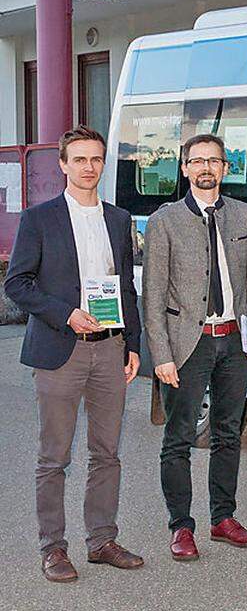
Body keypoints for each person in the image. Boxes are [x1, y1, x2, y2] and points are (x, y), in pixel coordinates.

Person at [5, 126, 143, 582]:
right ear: (63, 164)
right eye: (79, 159)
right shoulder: (39, 218)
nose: (89, 167)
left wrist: (133, 344)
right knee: (54, 457)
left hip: (109, 349)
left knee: (107, 453)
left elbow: (126, 286)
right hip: (60, 349)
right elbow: (17, 284)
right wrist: (66, 314)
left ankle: (101, 540)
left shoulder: (119, 219)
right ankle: (54, 548)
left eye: (96, 159)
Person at [142, 133, 247, 561]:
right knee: (178, 439)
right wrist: (160, 355)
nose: (205, 169)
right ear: (184, 169)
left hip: (232, 339)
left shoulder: (242, 215)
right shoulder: (165, 221)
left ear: (225, 168)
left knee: (228, 434)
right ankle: (181, 526)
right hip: (186, 345)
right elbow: (153, 295)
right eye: (197, 162)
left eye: (213, 161)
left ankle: (223, 518)